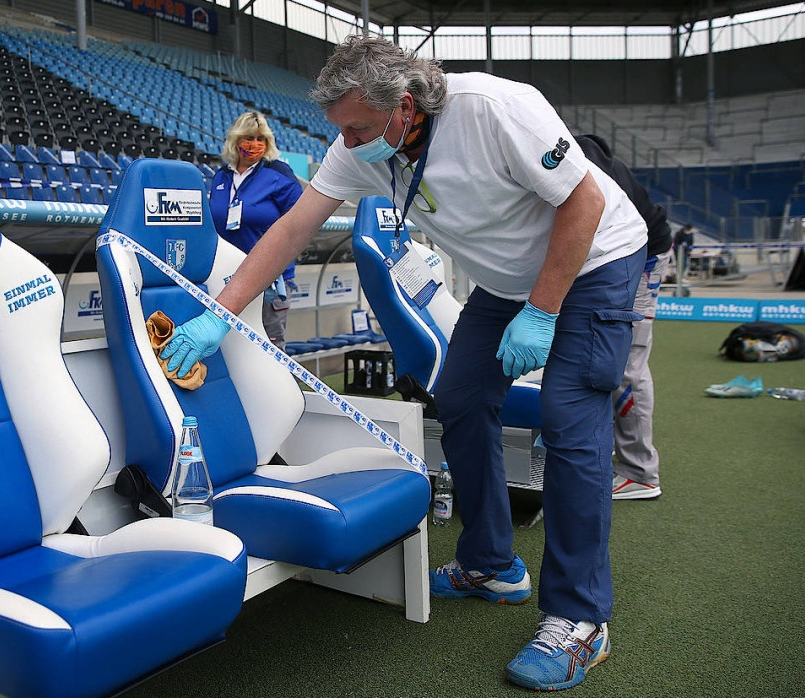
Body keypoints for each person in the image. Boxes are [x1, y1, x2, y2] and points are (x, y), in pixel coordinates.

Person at [160, 36, 647, 692]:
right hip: (508, 282)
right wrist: (219, 313)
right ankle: (490, 565)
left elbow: (583, 203)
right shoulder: (363, 141)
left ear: (405, 107)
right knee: (463, 396)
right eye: (341, 130)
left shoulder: (495, 108)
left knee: (569, 414)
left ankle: (581, 619)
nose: (348, 143)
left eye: (358, 128)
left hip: (593, 260)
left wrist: (544, 309)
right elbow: (292, 229)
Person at [575, 135, 672, 501]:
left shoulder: (579, 166)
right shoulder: (567, 152)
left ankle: (640, 473)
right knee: (601, 348)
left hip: (645, 254)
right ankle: (620, 451)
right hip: (630, 247)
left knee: (627, 361)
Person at [209, 112, 303, 349]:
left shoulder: (278, 174)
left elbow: (300, 220)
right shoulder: (221, 176)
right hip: (224, 277)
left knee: (269, 349)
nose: (255, 144)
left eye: (261, 138)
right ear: (236, 140)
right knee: (229, 347)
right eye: (249, 137)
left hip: (268, 278)